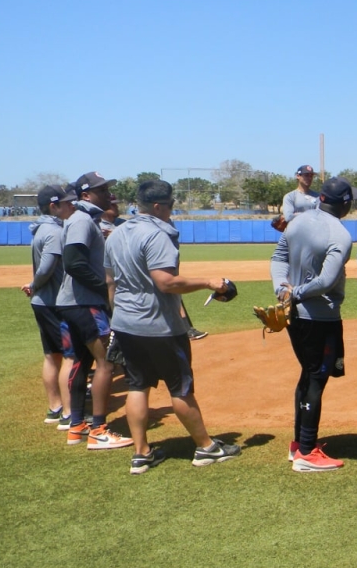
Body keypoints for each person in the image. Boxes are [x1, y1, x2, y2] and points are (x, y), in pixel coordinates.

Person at [104, 180, 241, 474]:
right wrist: (209, 282)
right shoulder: (156, 235)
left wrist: (120, 318)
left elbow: (109, 283)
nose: (172, 210)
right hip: (159, 326)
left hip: (126, 323)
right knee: (180, 388)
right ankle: (206, 448)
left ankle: (141, 453)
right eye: (170, 205)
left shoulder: (116, 234)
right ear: (157, 207)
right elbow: (166, 282)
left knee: (138, 386)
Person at [271, 177, 355, 473]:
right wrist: (296, 292)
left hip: (295, 315)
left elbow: (279, 257)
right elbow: (326, 281)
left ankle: (298, 444)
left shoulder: (297, 222)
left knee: (308, 375)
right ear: (345, 204)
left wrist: (283, 288)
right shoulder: (341, 235)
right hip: (320, 317)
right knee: (316, 379)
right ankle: (307, 450)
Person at [56, 171, 133, 450]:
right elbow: (74, 263)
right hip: (84, 303)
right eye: (101, 191)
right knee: (106, 364)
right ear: (85, 195)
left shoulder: (85, 219)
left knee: (81, 362)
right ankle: (99, 430)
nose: (108, 195)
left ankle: (76, 426)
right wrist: (103, 287)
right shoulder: (81, 221)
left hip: (74, 304)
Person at [22, 185, 75, 427]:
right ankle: (68, 414)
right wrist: (34, 284)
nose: (69, 206)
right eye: (65, 203)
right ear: (54, 206)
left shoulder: (42, 228)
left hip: (43, 303)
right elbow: (47, 266)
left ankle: (54, 407)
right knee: (69, 356)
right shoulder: (53, 231)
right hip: (54, 302)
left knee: (51, 356)